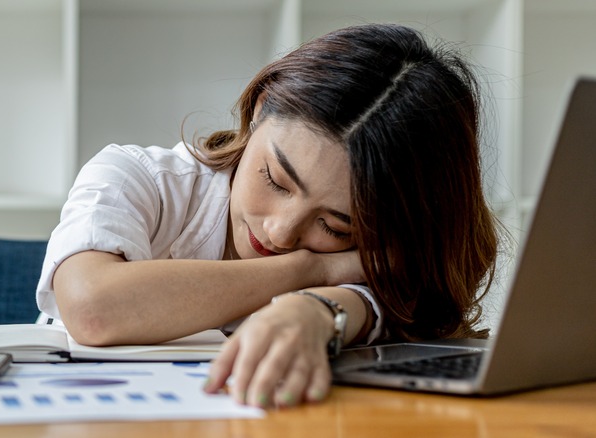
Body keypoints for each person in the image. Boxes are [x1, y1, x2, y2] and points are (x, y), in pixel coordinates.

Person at [35, 23, 500, 409]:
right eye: (276, 179)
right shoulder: (139, 177)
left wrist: (317, 309)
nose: (280, 231)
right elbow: (93, 309)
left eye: (336, 226)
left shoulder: (378, 262)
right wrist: (313, 267)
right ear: (258, 109)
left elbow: (375, 309)